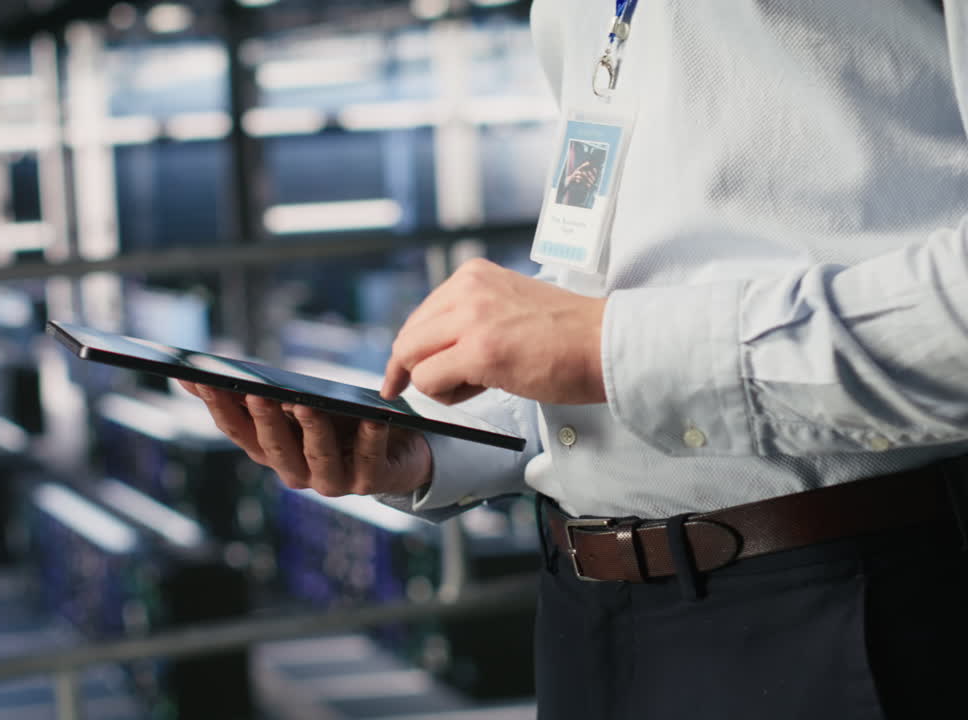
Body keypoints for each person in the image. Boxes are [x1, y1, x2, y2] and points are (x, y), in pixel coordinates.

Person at [183, 1, 968, 718]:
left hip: (849, 597)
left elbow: (608, 338)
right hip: (586, 617)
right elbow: (598, 297)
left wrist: (606, 346)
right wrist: (431, 441)